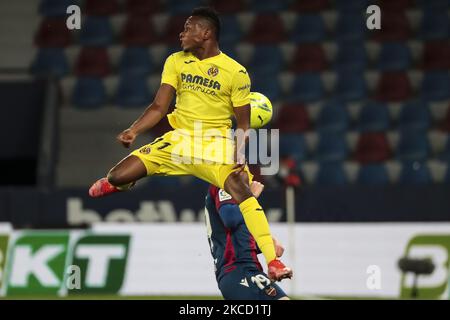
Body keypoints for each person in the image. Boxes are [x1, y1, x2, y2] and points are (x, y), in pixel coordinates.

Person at [88, 7, 292, 281]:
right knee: (117, 175)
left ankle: (273, 261)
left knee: (243, 192)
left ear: (206, 33)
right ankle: (122, 183)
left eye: (189, 27)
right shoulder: (176, 61)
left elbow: (243, 123)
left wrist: (240, 151)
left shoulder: (235, 72)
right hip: (179, 141)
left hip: (215, 146)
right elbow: (159, 107)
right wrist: (133, 130)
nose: (182, 33)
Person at [205, 180, 290, 300]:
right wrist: (252, 197)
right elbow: (231, 218)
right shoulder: (224, 182)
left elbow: (241, 238)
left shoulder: (237, 185)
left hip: (249, 270)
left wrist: (270, 244)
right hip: (236, 270)